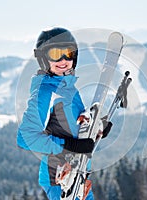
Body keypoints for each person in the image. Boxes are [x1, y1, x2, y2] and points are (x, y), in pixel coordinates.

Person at [17, 27, 111, 200]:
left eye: (68, 53)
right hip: (59, 179)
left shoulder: (69, 89)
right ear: (44, 58)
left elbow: (74, 127)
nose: (63, 59)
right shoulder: (46, 93)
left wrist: (97, 129)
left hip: (79, 173)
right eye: (55, 54)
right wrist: (68, 145)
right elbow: (25, 138)